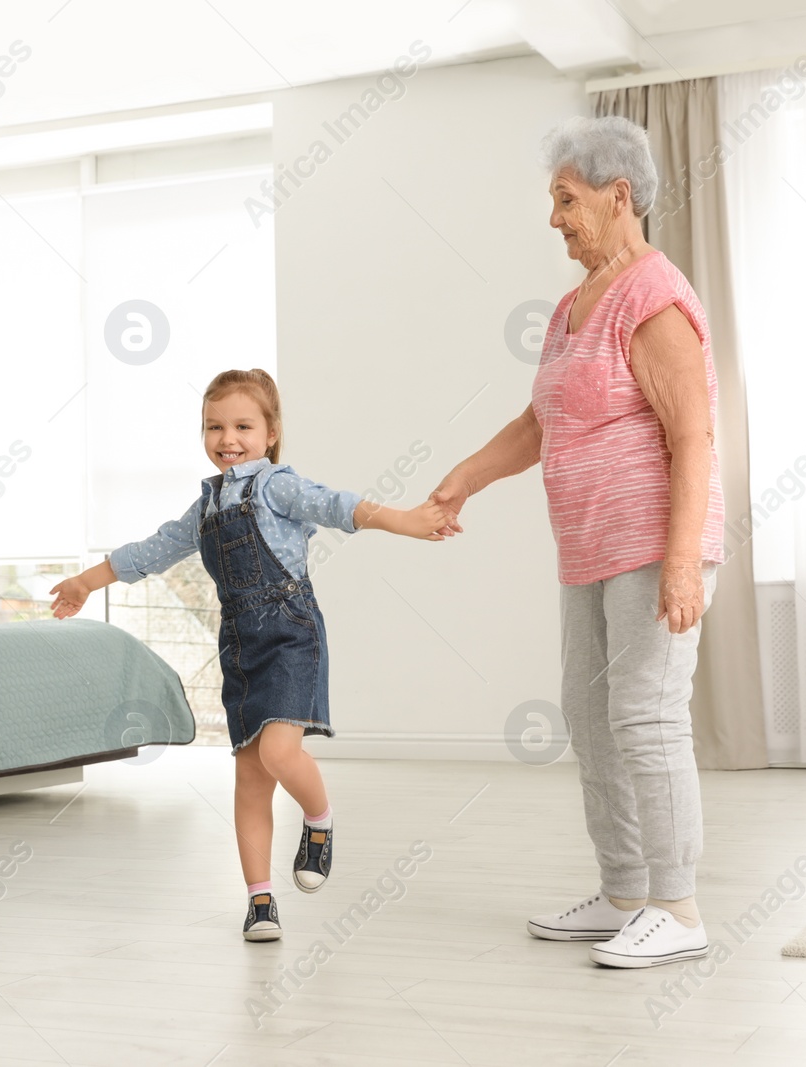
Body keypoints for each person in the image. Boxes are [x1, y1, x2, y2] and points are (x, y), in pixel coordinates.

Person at [430, 115, 726, 969]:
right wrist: (464, 478)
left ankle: (678, 906)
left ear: (617, 195)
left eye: (565, 199)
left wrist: (680, 563)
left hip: (651, 541)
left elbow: (695, 437)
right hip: (588, 546)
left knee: (647, 714)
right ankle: (624, 890)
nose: (554, 217)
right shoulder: (572, 306)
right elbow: (539, 422)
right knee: (592, 719)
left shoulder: (654, 294)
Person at [50, 368, 448, 941]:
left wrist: (406, 521)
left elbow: (338, 506)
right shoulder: (206, 505)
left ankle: (319, 821)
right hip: (239, 644)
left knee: (282, 754)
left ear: (271, 432)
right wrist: (89, 581)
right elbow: (156, 548)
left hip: (289, 635)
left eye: (242, 425)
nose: (227, 438)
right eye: (214, 426)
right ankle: (260, 901)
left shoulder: (276, 486)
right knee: (250, 776)